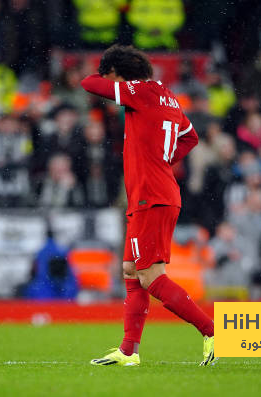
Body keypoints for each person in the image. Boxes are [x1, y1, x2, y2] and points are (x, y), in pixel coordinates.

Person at [81, 45, 215, 367]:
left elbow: (89, 84)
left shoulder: (137, 91)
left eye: (109, 75)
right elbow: (190, 137)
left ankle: (212, 330)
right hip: (154, 193)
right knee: (131, 270)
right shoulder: (166, 95)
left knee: (150, 275)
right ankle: (129, 351)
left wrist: (156, 165)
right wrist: (163, 161)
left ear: (118, 73)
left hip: (151, 197)